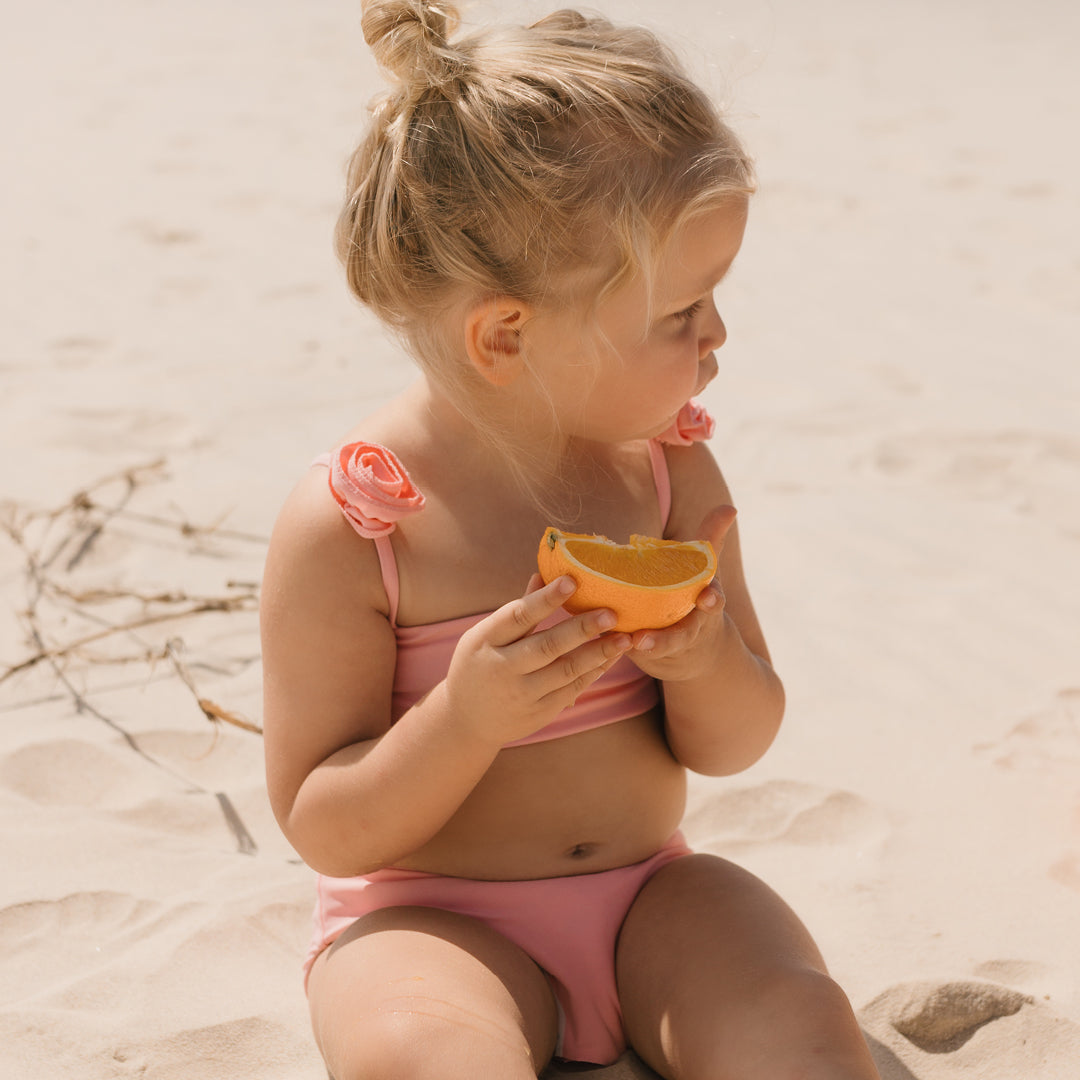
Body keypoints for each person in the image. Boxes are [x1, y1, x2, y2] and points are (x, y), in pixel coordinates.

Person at [260, 2, 881, 1077]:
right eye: (682, 310)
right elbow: (324, 823)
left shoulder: (666, 468)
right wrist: (464, 717)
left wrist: (704, 660)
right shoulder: (363, 522)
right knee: (416, 1051)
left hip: (653, 893)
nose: (717, 335)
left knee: (799, 1019)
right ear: (507, 333)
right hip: (430, 919)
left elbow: (735, 742)